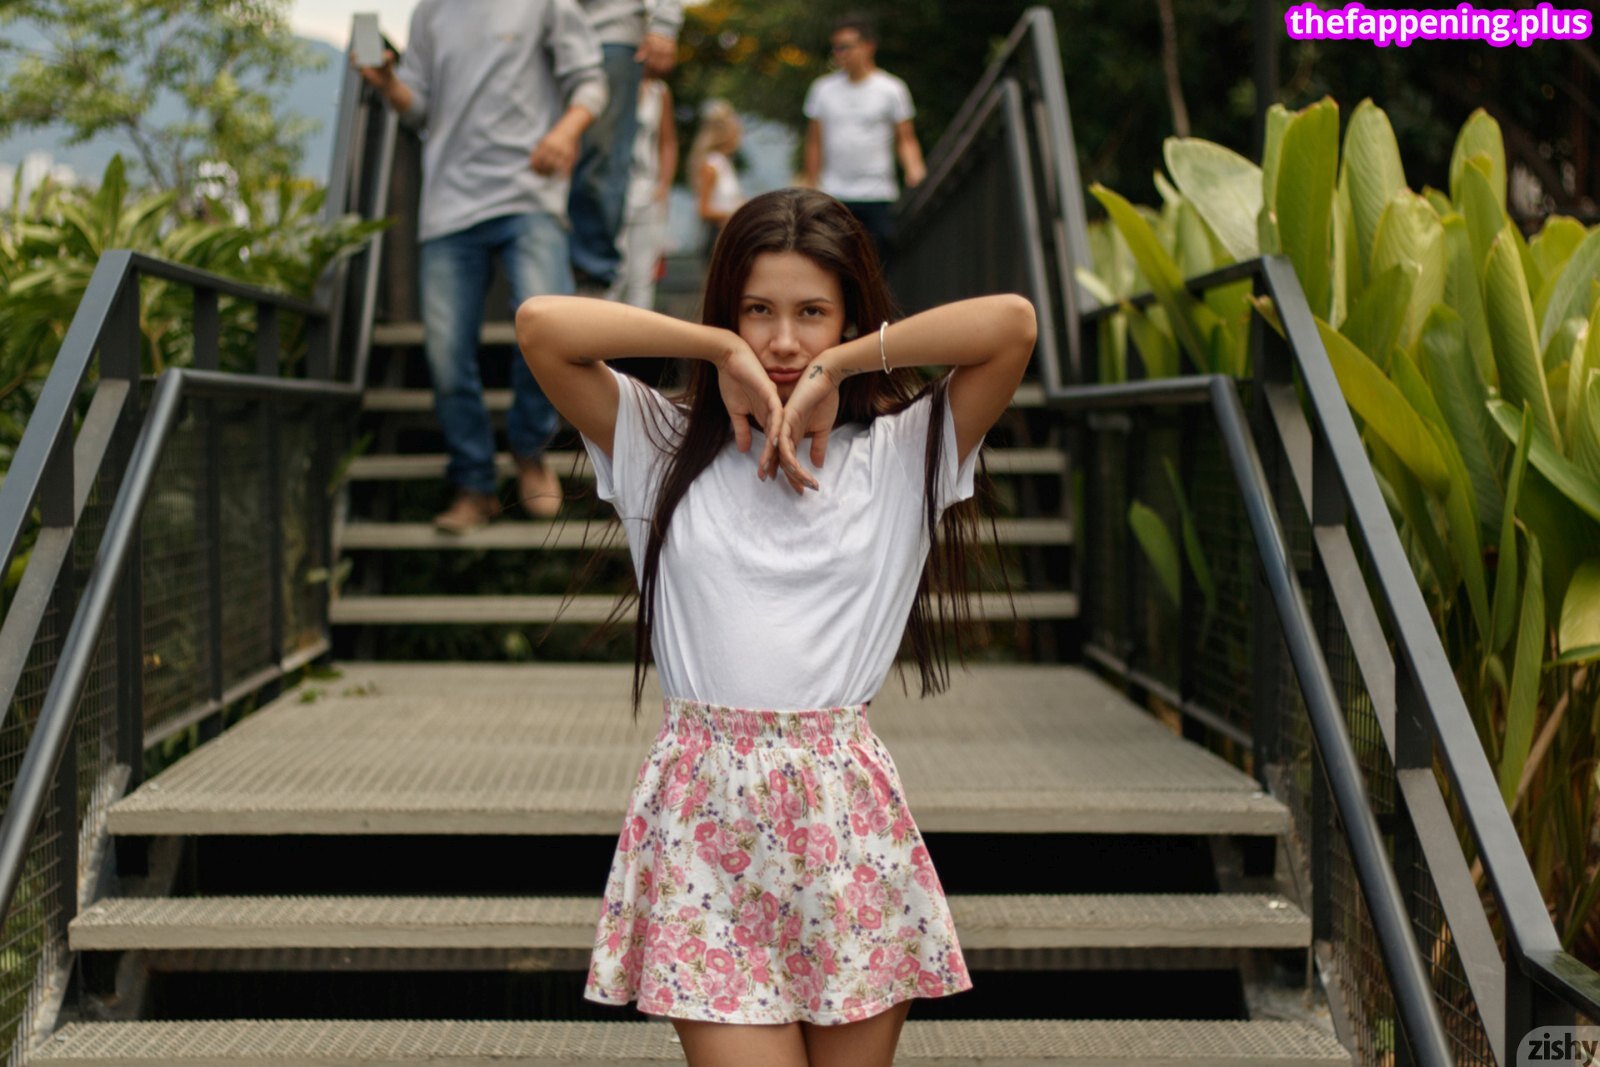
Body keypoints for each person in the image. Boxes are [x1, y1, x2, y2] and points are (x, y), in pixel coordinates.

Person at [515, 188, 1036, 1066]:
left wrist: (843, 367)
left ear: (849, 317)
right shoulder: (658, 442)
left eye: (812, 314)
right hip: (703, 824)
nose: (784, 341)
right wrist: (717, 347)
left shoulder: (903, 452)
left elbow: (1012, 325)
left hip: (847, 826)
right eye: (758, 311)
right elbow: (540, 325)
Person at [357, 1, 607, 533]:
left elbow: (591, 83)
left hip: (530, 196)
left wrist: (565, 132)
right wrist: (388, 84)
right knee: (447, 358)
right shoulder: (430, 13)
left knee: (551, 332)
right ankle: (474, 486)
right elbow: (418, 110)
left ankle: (530, 449)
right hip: (448, 207)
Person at [568, 0, 683, 294]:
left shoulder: (658, 93)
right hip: (533, 30)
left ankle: (590, 276)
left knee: (600, 159)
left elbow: (667, 143)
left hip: (610, 28)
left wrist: (664, 25)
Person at [802, 15, 927, 264]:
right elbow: (814, 142)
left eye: (846, 47)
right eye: (836, 48)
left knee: (878, 262)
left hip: (878, 194)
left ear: (868, 46)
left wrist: (914, 170)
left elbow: (906, 138)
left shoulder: (891, 89)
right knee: (836, 261)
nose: (840, 54)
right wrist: (811, 185)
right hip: (834, 193)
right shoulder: (822, 90)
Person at [608, 75, 677, 310]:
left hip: (647, 191)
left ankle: (639, 333)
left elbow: (667, 141)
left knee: (643, 276)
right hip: (613, 190)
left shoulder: (659, 92)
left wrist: (663, 184)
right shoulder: (612, 80)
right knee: (614, 273)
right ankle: (602, 330)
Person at [690, 100, 744, 253]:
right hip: (716, 235)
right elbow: (703, 209)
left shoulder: (725, 163)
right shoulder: (711, 165)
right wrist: (734, 213)